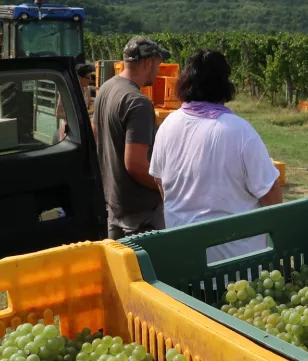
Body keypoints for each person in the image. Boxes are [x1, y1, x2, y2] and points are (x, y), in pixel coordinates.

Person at [149, 49, 282, 263]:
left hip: (183, 253)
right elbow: (271, 195)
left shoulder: (168, 126)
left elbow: (160, 181)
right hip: (236, 260)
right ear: (225, 85)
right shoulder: (239, 131)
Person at [92, 36, 170, 238]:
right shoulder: (138, 103)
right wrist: (165, 187)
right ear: (148, 62)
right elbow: (135, 164)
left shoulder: (106, 89)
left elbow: (95, 135)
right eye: (158, 64)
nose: (158, 70)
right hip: (140, 213)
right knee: (147, 267)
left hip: (114, 202)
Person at [56, 62, 94, 142]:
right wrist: (79, 115)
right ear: (79, 78)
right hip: (70, 130)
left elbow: (88, 107)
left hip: (84, 129)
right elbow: (58, 113)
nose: (90, 80)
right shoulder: (67, 92)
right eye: (88, 77)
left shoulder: (87, 90)